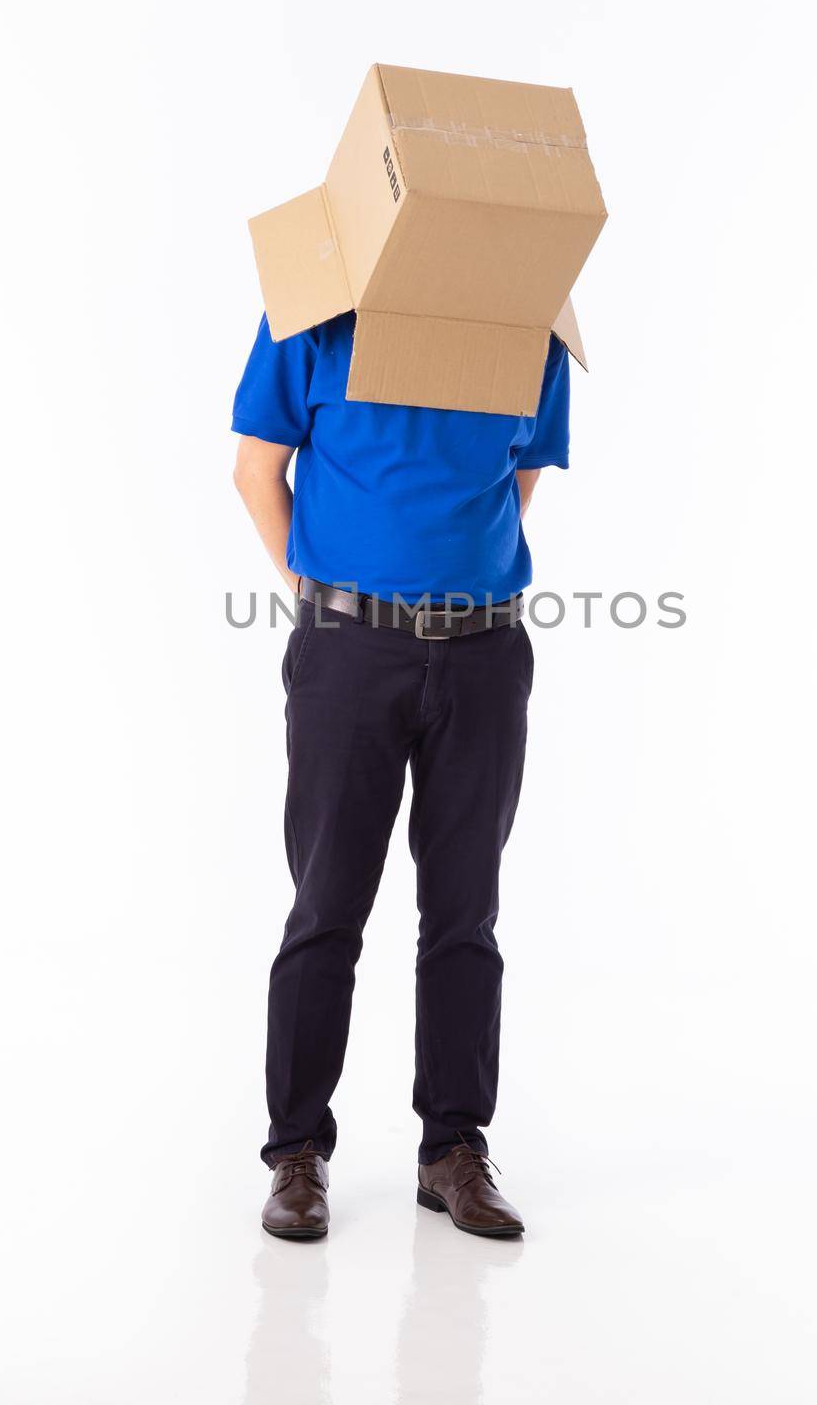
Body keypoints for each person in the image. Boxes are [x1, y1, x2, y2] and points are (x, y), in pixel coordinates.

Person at [231, 307, 570, 1240]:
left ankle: (452, 1148)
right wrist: (325, 596)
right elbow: (257, 469)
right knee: (327, 902)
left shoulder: (527, 327)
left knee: (465, 909)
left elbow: (522, 472)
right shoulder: (311, 319)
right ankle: (296, 1149)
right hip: (347, 650)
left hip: (483, 650)